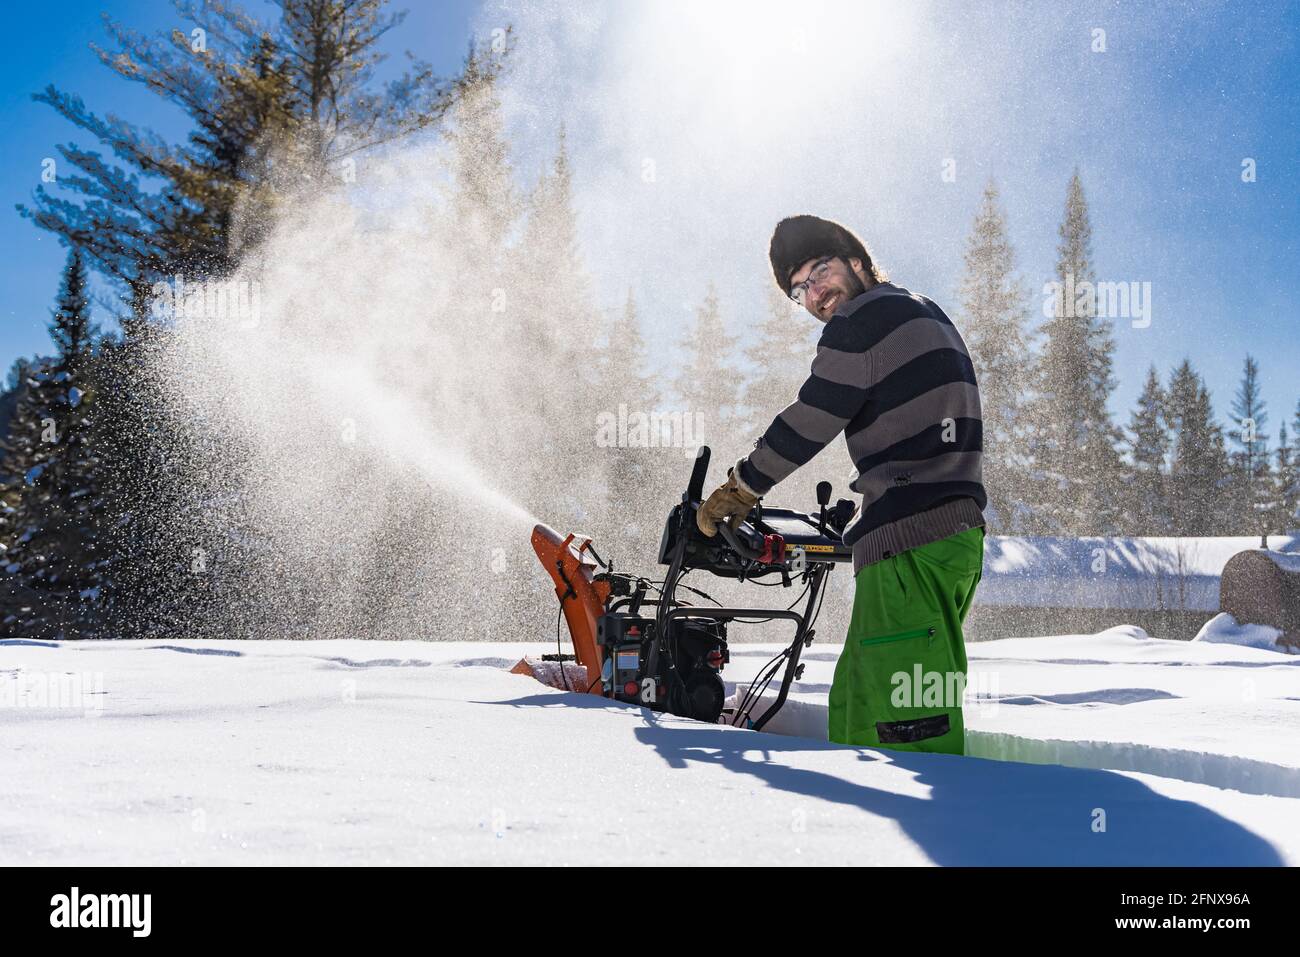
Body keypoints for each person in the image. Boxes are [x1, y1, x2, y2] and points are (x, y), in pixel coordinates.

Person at [696, 214, 986, 754]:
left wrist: (741, 489)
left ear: (856, 261)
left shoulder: (864, 319)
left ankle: (948, 831)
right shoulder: (920, 309)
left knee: (910, 728)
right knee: (858, 706)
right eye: (799, 288)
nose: (814, 292)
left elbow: (812, 417)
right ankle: (848, 836)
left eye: (820, 269)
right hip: (938, 542)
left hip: (912, 547)